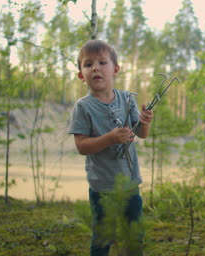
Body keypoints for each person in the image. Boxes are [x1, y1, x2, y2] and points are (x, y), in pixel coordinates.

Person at [68, 39, 153, 256]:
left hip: (129, 184)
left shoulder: (126, 99)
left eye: (102, 62)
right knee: (103, 238)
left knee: (134, 236)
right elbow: (81, 146)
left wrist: (145, 121)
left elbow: (141, 134)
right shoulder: (83, 107)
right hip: (102, 188)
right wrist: (110, 138)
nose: (95, 67)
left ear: (115, 69)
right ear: (81, 75)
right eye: (88, 64)